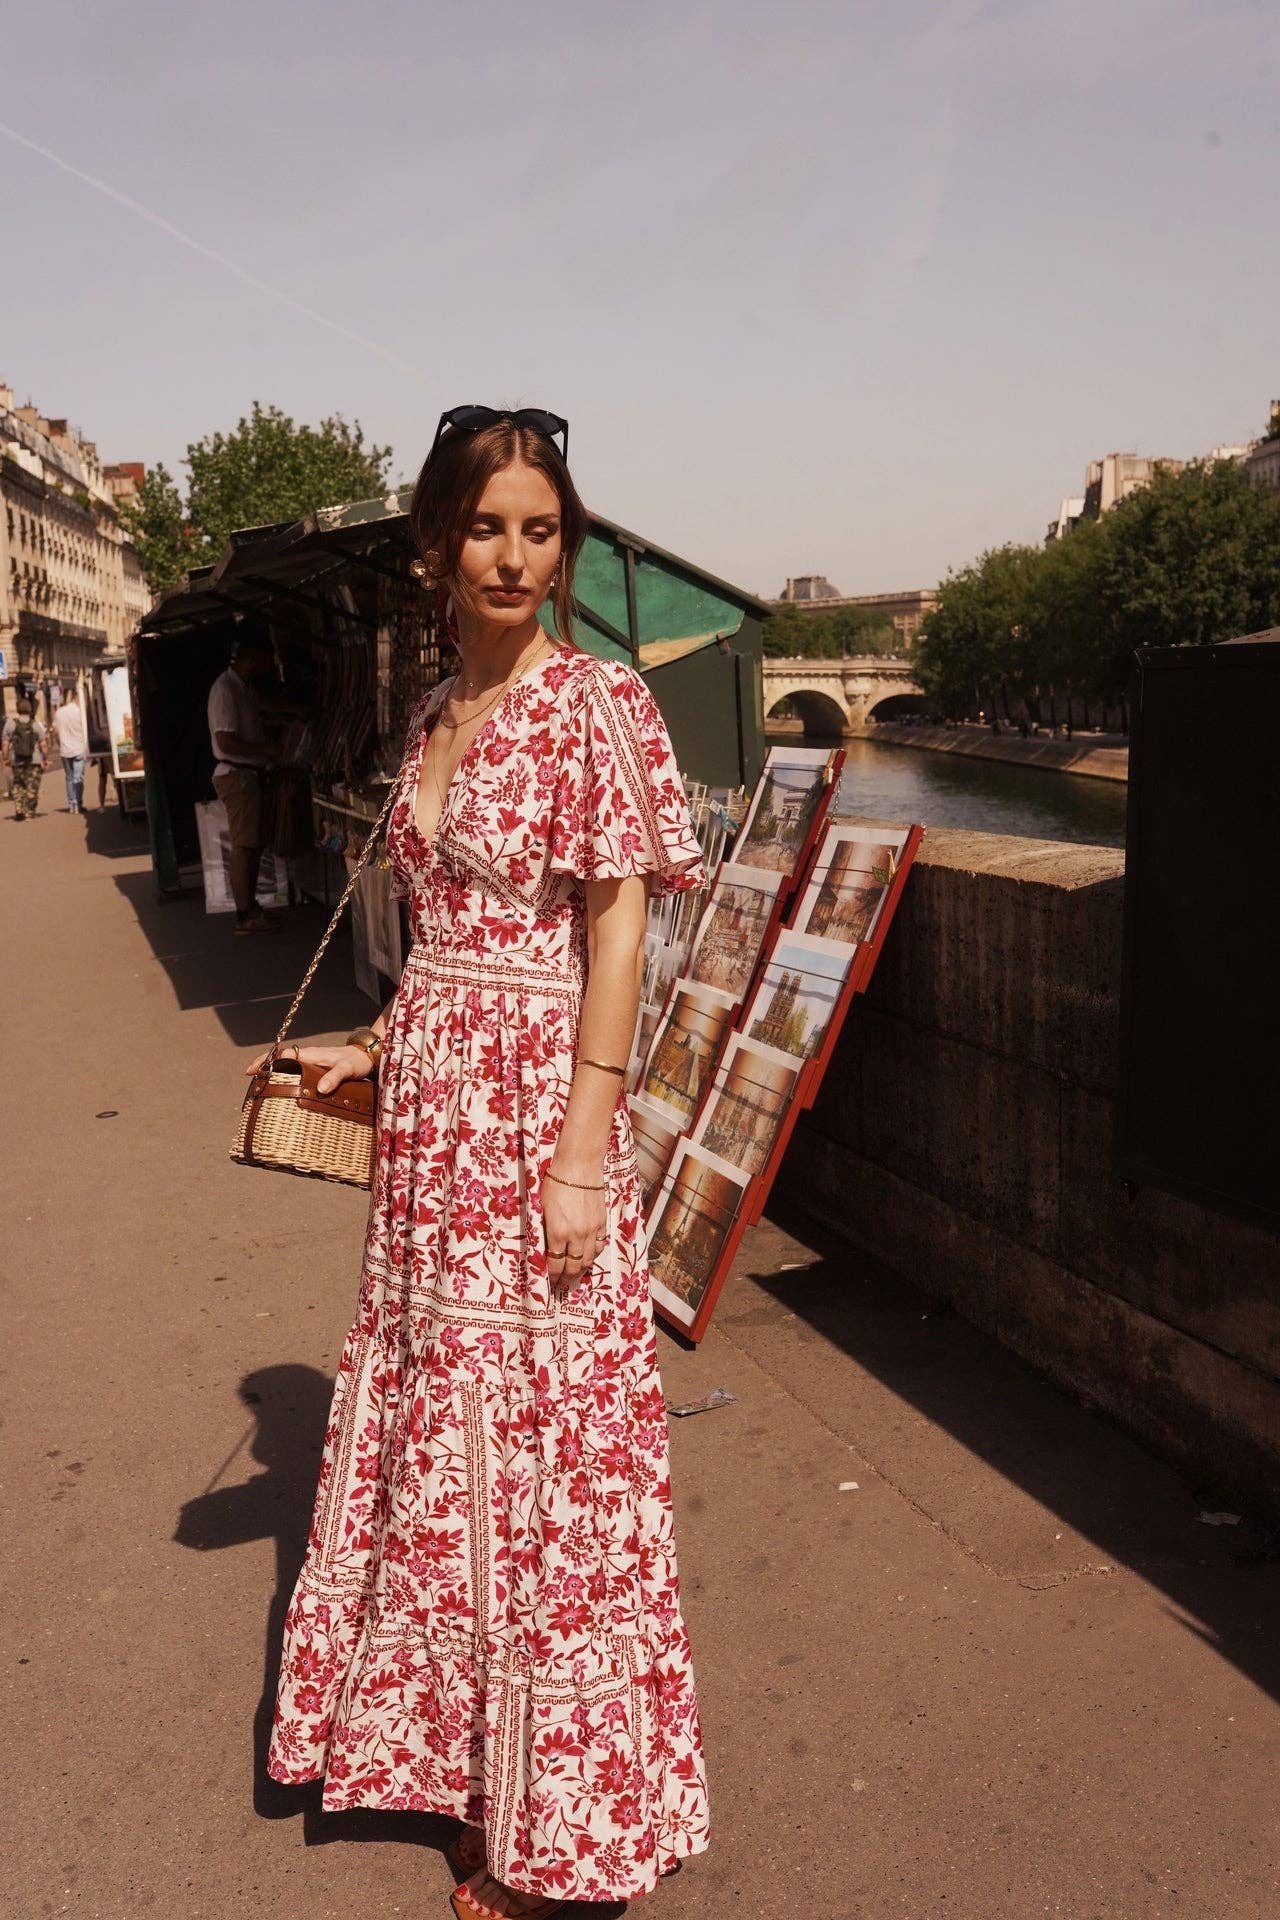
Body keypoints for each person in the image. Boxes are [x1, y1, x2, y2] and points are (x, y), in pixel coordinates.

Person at [256, 408, 711, 1916]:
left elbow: (614, 940)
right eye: (485, 527)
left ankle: (562, 1825)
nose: (513, 556)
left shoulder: (599, 704)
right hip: (432, 1137)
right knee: (448, 1450)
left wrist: (581, 1154)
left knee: (546, 1454)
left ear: (561, 546)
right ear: (436, 546)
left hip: (534, 1124)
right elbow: (446, 939)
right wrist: (374, 1047)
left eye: (539, 528)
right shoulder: (430, 715)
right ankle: (475, 1775)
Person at [207, 635, 282, 932]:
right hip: (238, 776)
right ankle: (244, 914)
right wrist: (266, 750)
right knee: (244, 846)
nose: (268, 666)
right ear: (250, 660)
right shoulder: (225, 689)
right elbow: (226, 741)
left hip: (248, 775)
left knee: (252, 845)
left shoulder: (243, 688)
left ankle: (250, 907)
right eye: (264, 661)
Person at [3, 698, 50, 820]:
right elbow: (43, 744)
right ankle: (29, 812)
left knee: (18, 784)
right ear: (29, 709)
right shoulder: (35, 724)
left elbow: (5, 743)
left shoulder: (10, 724)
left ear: (18, 709)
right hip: (33, 760)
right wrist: (45, 758)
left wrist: (5, 758)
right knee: (32, 786)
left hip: (16, 760)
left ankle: (19, 809)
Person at [51, 687, 90, 813]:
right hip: (79, 748)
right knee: (78, 778)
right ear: (78, 697)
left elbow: (55, 731)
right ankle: (78, 804)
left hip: (65, 750)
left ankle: (72, 805)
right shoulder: (81, 712)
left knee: (69, 778)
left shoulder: (59, 712)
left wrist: (60, 743)